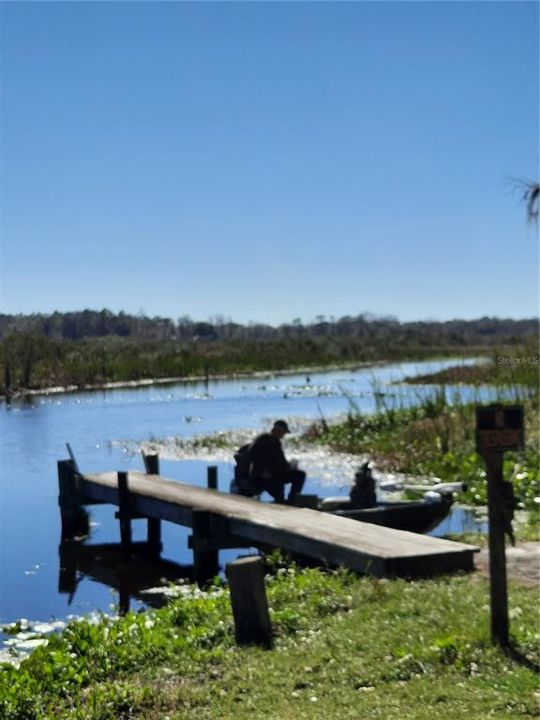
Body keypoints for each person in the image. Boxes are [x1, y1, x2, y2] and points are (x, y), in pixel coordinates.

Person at [248, 420, 306, 503]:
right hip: (263, 478)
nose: (283, 435)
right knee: (279, 494)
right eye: (283, 432)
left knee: (299, 475)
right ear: (277, 430)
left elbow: (281, 463)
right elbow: (252, 455)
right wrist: (261, 471)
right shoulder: (263, 439)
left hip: (277, 475)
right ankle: (281, 501)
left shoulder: (277, 443)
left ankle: (292, 500)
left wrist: (290, 466)